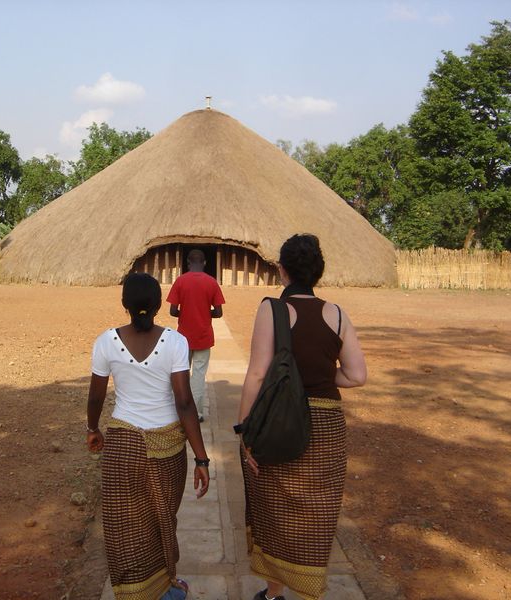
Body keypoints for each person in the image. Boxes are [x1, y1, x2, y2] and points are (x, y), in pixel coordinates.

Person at [235, 234, 367, 600]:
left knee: (273, 506)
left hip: (280, 421)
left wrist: (244, 429)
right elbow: (357, 375)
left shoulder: (272, 310)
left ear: (282, 270)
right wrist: (322, 378)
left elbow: (258, 374)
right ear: (318, 272)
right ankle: (309, 591)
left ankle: (273, 593)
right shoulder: (337, 314)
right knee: (317, 513)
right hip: (326, 428)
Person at [86, 272, 211, 600]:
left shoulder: (105, 342)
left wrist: (92, 428)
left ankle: (135, 590)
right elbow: (184, 402)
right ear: (159, 305)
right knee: (163, 518)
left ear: (124, 304)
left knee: (126, 524)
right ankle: (168, 584)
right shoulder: (176, 342)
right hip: (167, 449)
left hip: (122, 446)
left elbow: (96, 397)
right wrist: (201, 458)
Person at [167, 249, 225, 422]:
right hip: (204, 336)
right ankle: (197, 413)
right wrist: (205, 314)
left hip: (183, 337)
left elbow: (172, 311)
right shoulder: (212, 282)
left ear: (187, 263)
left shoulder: (180, 281)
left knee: (181, 374)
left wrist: (186, 313)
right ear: (205, 263)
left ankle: (180, 410)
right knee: (198, 375)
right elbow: (219, 312)